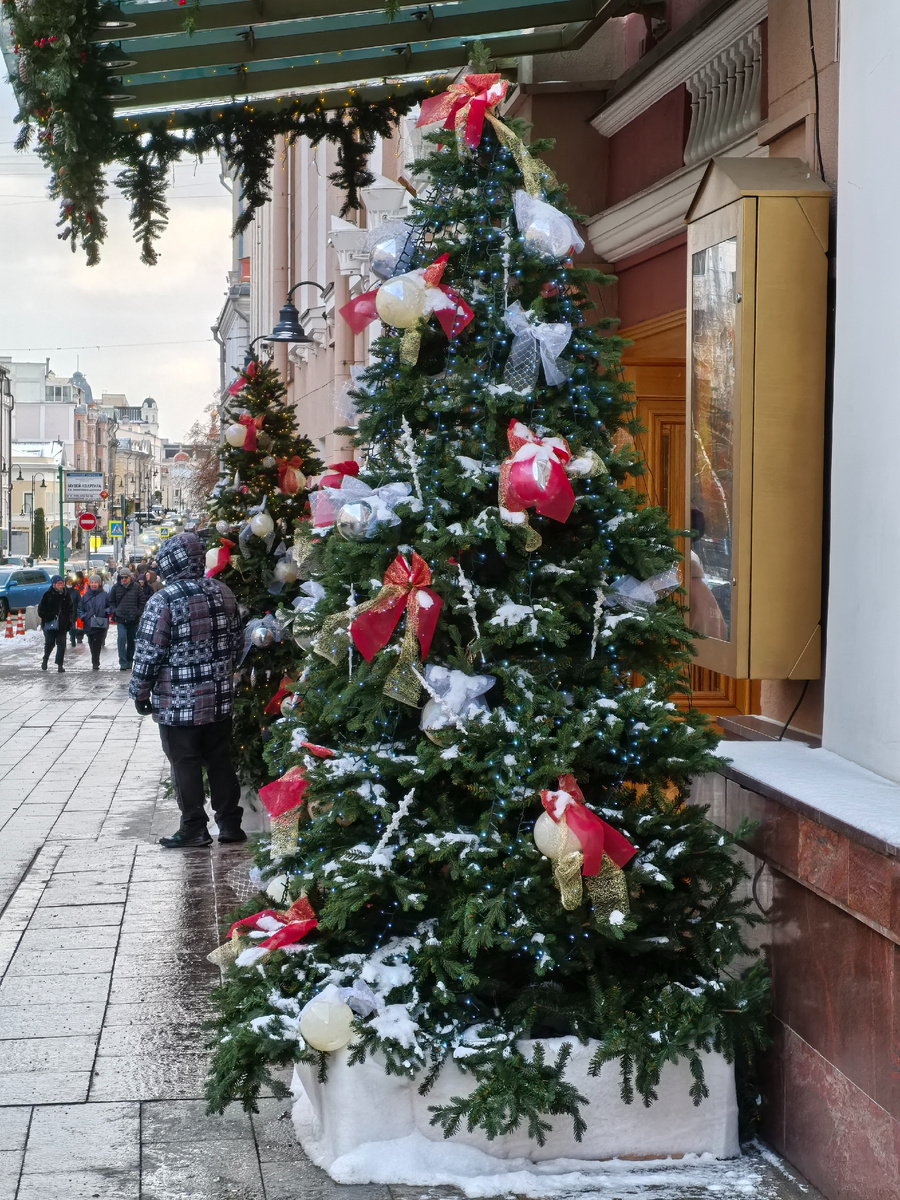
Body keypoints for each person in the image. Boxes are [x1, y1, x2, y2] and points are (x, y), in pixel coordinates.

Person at [130, 532, 246, 848]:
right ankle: (230, 824)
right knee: (221, 761)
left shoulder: (164, 600)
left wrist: (140, 693)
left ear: (169, 564)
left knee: (185, 764)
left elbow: (148, 653)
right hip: (219, 701)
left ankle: (194, 826)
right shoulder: (224, 593)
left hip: (178, 706)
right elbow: (237, 643)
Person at [108, 568, 146, 671]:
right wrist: (115, 611)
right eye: (122, 577)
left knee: (131, 641)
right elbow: (111, 601)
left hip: (133, 619)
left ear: (130, 577)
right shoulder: (116, 588)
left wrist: (138, 612)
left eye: (126, 577)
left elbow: (142, 601)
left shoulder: (137, 587)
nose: (124, 579)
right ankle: (123, 662)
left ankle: (129, 660)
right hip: (121, 618)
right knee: (121, 639)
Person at [37, 575, 74, 672]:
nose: (61, 585)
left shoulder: (66, 595)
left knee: (61, 645)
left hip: (62, 625)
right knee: (50, 643)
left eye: (62, 583)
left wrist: (69, 620)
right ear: (54, 584)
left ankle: (60, 664)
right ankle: (45, 659)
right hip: (50, 624)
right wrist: (50, 617)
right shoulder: (47, 595)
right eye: (59, 583)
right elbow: (41, 610)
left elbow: (71, 608)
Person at [78, 575, 111, 670]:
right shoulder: (85, 596)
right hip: (88, 623)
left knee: (97, 642)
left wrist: (105, 612)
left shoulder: (104, 595)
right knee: (91, 642)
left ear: (99, 584)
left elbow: (110, 606)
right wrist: (83, 616)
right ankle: (95, 659)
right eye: (92, 582)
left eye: (96, 582)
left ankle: (95, 662)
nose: (94, 584)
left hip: (100, 623)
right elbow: (80, 609)